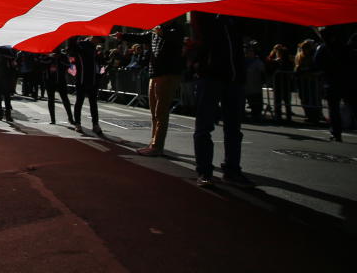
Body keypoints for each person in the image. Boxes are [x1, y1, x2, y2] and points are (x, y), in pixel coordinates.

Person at [189, 11, 253, 187]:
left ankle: (232, 170)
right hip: (210, 76)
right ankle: (204, 171)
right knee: (204, 126)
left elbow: (248, 30)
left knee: (234, 128)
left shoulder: (235, 14)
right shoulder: (202, 12)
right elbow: (202, 35)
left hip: (235, 77)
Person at [116, 18, 186, 156]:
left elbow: (177, 38)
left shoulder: (175, 29)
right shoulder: (157, 29)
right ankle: (153, 143)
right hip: (154, 73)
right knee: (154, 112)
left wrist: (162, 33)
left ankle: (157, 146)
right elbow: (142, 37)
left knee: (161, 111)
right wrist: (123, 35)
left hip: (167, 73)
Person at [68, 36, 102, 135]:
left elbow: (98, 65)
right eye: (97, 39)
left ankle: (95, 125)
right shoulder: (82, 45)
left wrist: (100, 75)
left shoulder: (94, 49)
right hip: (82, 79)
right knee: (79, 102)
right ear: (92, 37)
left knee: (93, 103)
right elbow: (71, 49)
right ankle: (78, 124)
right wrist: (74, 35)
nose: (98, 42)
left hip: (92, 80)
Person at [41, 50, 74, 126]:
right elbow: (41, 64)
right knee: (50, 99)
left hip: (61, 80)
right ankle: (53, 119)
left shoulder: (63, 56)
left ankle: (70, 118)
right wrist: (50, 58)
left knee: (65, 99)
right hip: (49, 80)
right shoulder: (46, 55)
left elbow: (68, 65)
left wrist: (58, 59)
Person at [266, 43, 293, 123]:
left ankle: (288, 116)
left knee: (286, 100)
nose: (278, 53)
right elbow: (269, 68)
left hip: (285, 83)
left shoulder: (286, 61)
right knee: (278, 100)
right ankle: (279, 116)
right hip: (277, 83)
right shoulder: (273, 60)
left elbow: (289, 68)